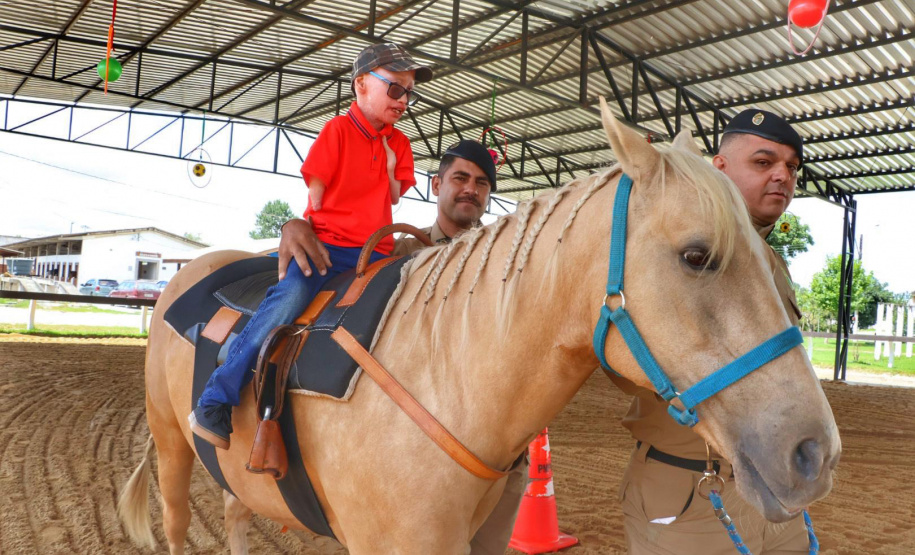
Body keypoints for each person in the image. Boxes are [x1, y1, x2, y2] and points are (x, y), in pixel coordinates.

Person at [278, 140, 526, 555]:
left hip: (496, 450)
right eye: (461, 178)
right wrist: (294, 224)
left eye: (482, 183)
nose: (471, 189)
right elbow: (336, 259)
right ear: (436, 185)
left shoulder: (506, 262)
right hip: (417, 447)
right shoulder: (396, 251)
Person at [189, 42, 433, 450]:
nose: (403, 100)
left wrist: (389, 162)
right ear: (361, 86)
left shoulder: (401, 143)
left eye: (409, 93)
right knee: (286, 303)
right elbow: (316, 196)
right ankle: (216, 397)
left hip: (375, 253)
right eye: (395, 89)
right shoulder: (337, 130)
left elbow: (393, 196)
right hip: (327, 248)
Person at [619, 109, 807, 554]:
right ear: (718, 168)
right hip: (694, 488)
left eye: (792, 167)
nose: (782, 175)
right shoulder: (671, 252)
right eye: (764, 163)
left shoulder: (770, 263)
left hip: (772, 485)